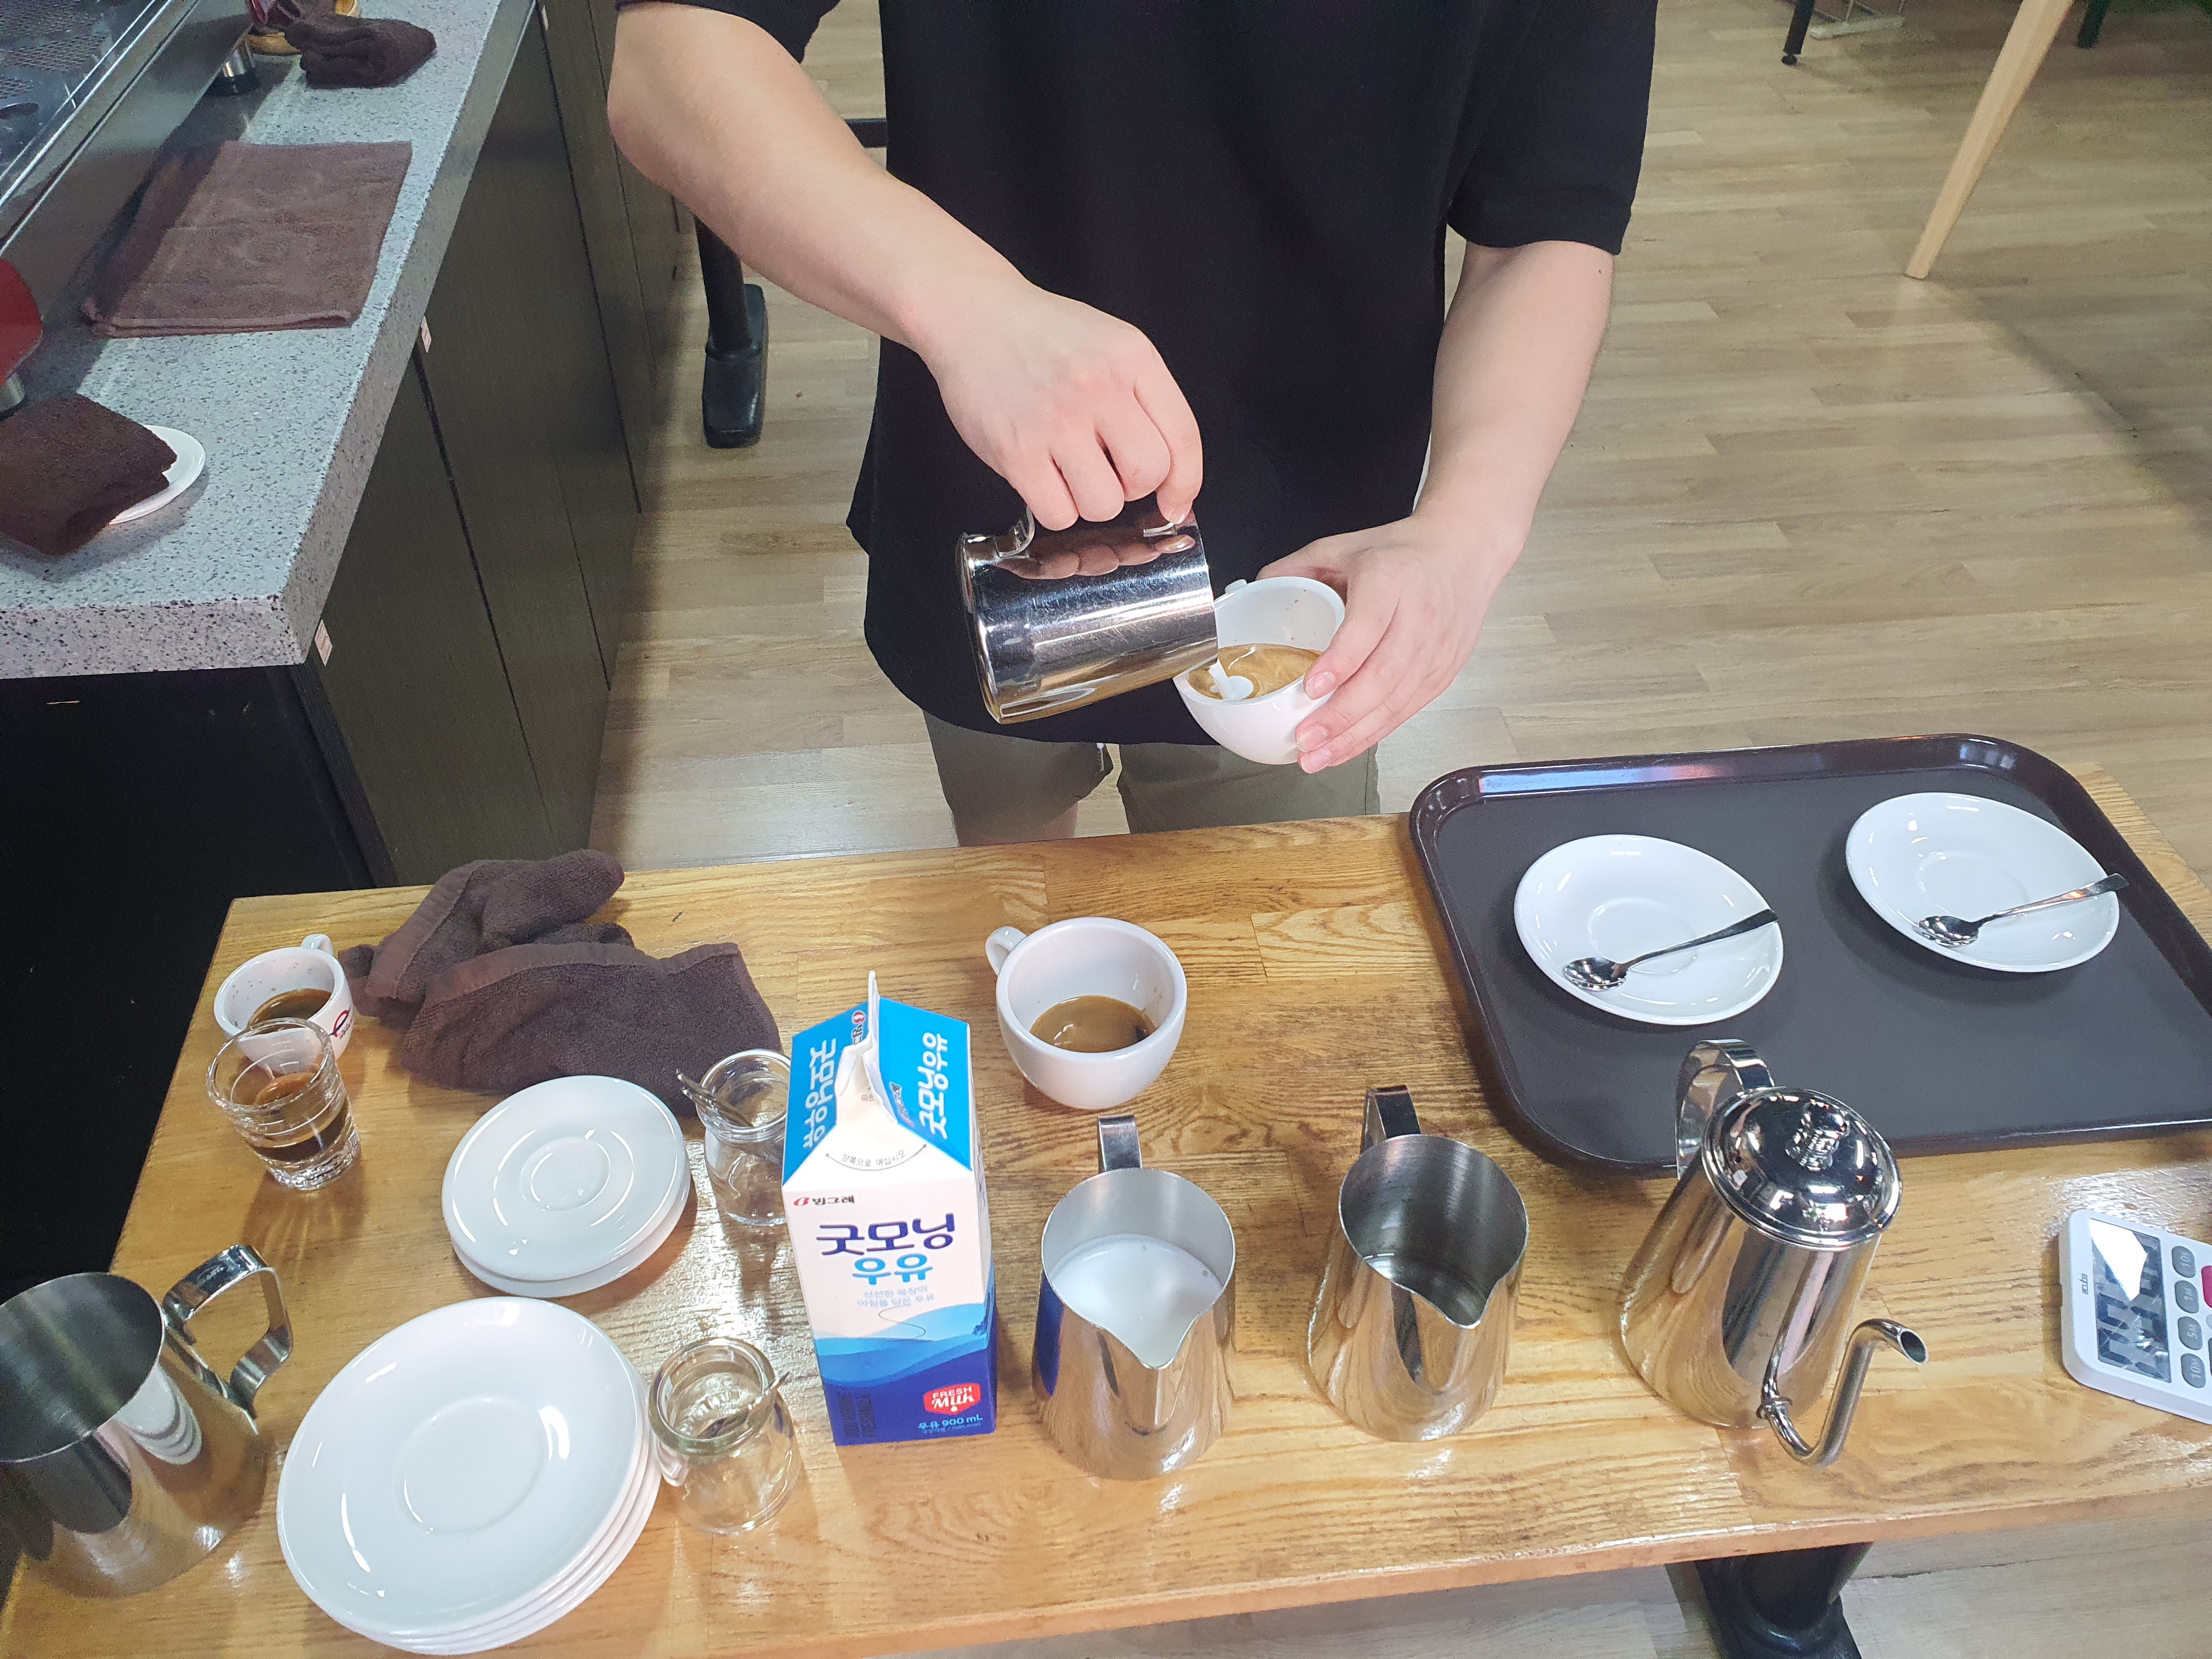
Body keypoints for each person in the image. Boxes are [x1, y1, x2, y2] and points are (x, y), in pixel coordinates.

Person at [610, 1, 1656, 843]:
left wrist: (1469, 532)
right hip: (995, 513)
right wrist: (968, 307)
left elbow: (1546, 219)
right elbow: (671, 54)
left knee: (1265, 928)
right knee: (1011, 866)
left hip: (1311, 572)